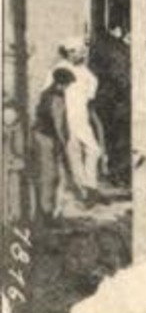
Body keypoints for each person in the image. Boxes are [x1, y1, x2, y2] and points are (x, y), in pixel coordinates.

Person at [53, 41, 101, 204]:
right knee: (74, 153)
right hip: (68, 117)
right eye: (73, 51)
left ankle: (90, 186)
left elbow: (91, 90)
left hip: (81, 116)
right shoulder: (60, 68)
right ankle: (84, 190)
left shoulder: (84, 70)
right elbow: (53, 93)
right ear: (67, 53)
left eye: (81, 51)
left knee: (94, 150)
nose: (79, 54)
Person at [88, 25, 130, 188]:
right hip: (116, 100)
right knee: (119, 139)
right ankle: (119, 173)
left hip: (110, 100)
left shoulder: (102, 47)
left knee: (114, 139)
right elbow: (120, 76)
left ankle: (118, 173)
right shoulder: (115, 49)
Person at [30, 69, 75, 222]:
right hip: (45, 139)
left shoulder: (46, 94)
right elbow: (58, 124)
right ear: (60, 83)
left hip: (44, 137)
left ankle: (45, 212)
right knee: (49, 176)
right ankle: (46, 214)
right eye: (67, 84)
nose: (67, 88)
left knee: (50, 176)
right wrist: (63, 144)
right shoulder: (55, 97)